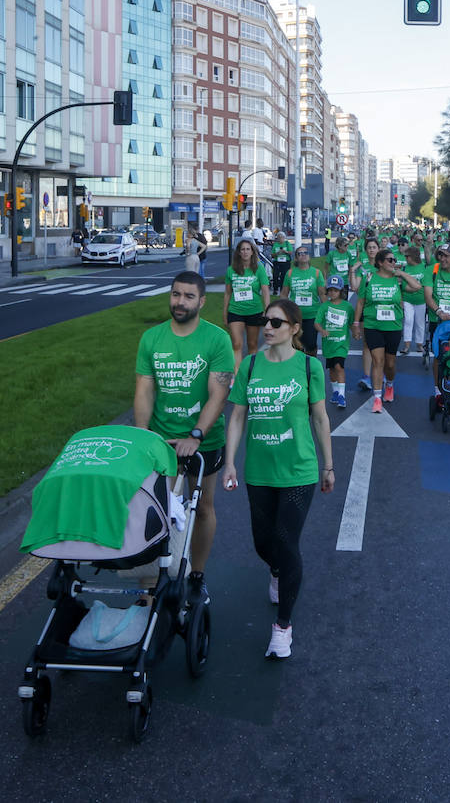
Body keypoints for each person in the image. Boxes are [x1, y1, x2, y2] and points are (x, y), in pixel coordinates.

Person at [222, 299, 334, 659]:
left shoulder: (308, 367)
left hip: (298, 469)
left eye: (276, 322)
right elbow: (237, 417)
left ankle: (282, 627)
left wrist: (327, 466)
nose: (267, 327)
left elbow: (319, 418)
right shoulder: (251, 366)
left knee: (287, 542)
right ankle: (275, 570)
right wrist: (230, 463)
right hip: (259, 470)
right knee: (262, 542)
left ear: (294, 328)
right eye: (264, 321)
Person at [133, 271, 234, 606]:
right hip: (162, 440)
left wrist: (196, 434)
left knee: (202, 508)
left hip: (204, 440)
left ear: (202, 302)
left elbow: (218, 395)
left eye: (189, 296)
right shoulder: (151, 339)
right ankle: (153, 581)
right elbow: (145, 389)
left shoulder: (217, 340)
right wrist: (143, 430)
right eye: (176, 294)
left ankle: (196, 575)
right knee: (159, 508)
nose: (180, 302)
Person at [353, 248, 422, 412]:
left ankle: (389, 385)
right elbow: (361, 302)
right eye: (390, 260)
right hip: (372, 325)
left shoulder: (397, 280)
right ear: (380, 263)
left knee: (390, 363)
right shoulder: (369, 278)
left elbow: (417, 286)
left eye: (394, 260)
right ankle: (377, 397)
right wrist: (356, 324)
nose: (394, 262)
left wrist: (402, 274)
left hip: (393, 326)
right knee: (378, 361)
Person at [223, 238, 271, 368]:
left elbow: (265, 292)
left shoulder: (259, 269)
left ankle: (250, 374)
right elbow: (227, 293)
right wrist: (224, 313)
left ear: (252, 252)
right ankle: (237, 377)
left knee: (252, 344)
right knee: (236, 344)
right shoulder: (231, 270)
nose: (245, 252)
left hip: (254, 311)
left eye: (247, 249)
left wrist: (267, 310)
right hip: (235, 310)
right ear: (238, 252)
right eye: (242, 249)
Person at [350, 237, 383, 392]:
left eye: (374, 247)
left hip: (382, 309)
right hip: (364, 308)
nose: (371, 250)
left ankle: (380, 373)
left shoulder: (384, 267)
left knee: (381, 344)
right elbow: (355, 288)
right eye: (369, 247)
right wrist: (352, 270)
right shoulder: (362, 268)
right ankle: (366, 376)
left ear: (378, 249)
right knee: (367, 343)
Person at [283, 247, 326, 356]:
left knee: (311, 344)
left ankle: (312, 365)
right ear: (296, 258)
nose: (303, 255)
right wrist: (282, 311)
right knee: (297, 345)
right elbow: (284, 294)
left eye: (305, 252)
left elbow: (322, 294)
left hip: (312, 315)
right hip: (295, 315)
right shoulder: (290, 273)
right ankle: (299, 369)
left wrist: (326, 312)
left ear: (309, 256)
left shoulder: (316, 273)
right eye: (299, 253)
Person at [318, 276, 352, 409]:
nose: (332, 293)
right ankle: (335, 391)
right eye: (330, 290)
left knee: (339, 367)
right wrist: (322, 330)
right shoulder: (325, 306)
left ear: (341, 291)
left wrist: (355, 331)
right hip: (329, 344)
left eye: (335, 291)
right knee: (332, 369)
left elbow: (350, 323)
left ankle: (342, 396)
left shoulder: (347, 306)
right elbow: (317, 322)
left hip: (341, 344)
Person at [400, 246, 428, 356]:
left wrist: (416, 288)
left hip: (421, 300)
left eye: (407, 256)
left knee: (420, 323)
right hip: (408, 299)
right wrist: (416, 288)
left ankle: (419, 344)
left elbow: (425, 284)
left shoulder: (424, 267)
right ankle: (407, 345)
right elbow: (404, 286)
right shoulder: (405, 269)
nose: (406, 258)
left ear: (414, 257)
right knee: (408, 320)